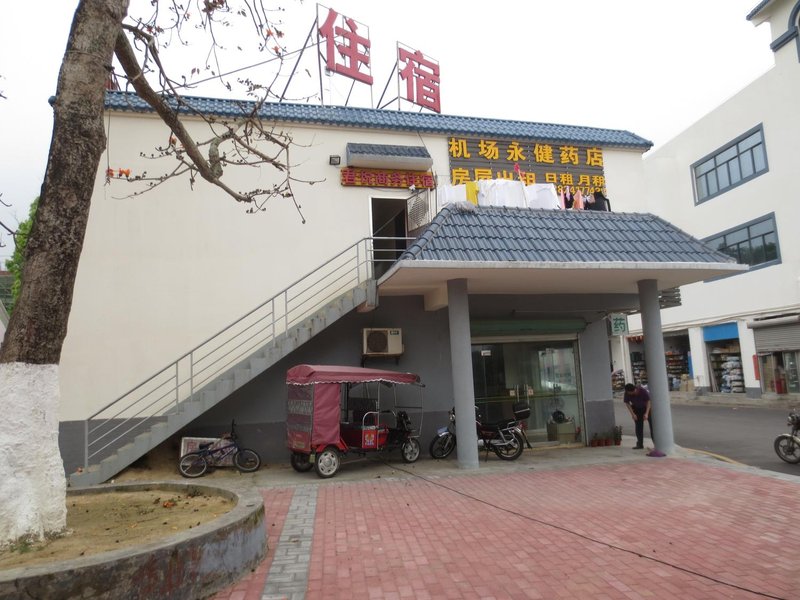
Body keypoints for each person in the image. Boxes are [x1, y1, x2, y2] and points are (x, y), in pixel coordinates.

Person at [623, 382, 652, 449]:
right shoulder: (627, 393)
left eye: (629, 393)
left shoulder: (642, 391)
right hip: (636, 409)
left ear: (633, 390)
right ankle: (640, 444)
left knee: (652, 427)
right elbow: (627, 403)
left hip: (646, 408)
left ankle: (656, 444)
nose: (628, 394)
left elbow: (648, 401)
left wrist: (646, 413)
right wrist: (633, 414)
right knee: (638, 427)